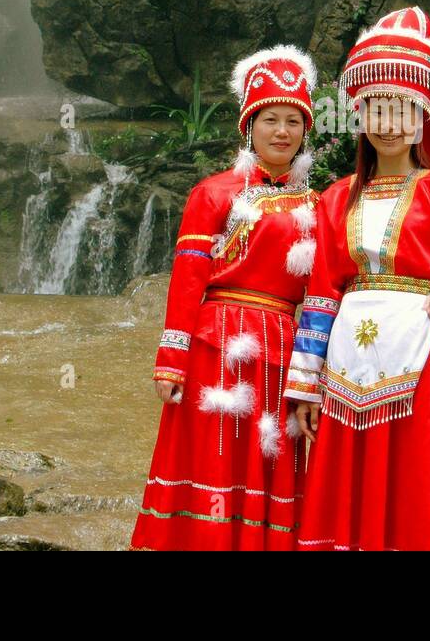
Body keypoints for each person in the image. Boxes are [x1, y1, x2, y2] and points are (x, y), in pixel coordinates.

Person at [283, 7, 430, 551]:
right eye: (378, 108)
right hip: (345, 367)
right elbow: (323, 293)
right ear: (361, 115)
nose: (390, 122)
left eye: (404, 109)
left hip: (418, 356)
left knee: (414, 479)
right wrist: (305, 385)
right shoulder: (335, 196)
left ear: (423, 117)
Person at [131, 45, 320, 550]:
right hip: (219, 348)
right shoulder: (214, 193)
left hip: (282, 348)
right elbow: (188, 279)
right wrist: (171, 361)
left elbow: (324, 292)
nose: (282, 131)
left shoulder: (320, 205)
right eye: (270, 120)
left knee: (269, 463)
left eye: (293, 122)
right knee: (213, 460)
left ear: (306, 131)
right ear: (248, 126)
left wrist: (316, 369)